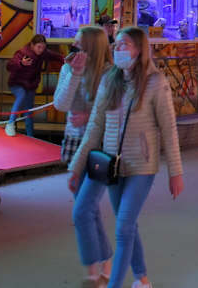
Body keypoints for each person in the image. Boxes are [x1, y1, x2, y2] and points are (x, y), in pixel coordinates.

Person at [68, 27, 183, 288]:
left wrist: (175, 172)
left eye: (125, 45)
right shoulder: (110, 80)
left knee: (123, 228)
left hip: (141, 165)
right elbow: (95, 126)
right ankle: (142, 278)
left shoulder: (156, 83)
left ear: (140, 50)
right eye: (116, 45)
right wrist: (77, 168)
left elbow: (168, 129)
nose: (119, 49)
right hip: (112, 165)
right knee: (127, 226)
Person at [55, 26, 114, 284]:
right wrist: (75, 74)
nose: (74, 48)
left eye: (79, 44)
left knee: (83, 209)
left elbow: (119, 112)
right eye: (74, 43)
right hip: (74, 143)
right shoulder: (69, 68)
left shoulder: (111, 74)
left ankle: (93, 272)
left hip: (100, 148)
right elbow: (61, 104)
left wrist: (90, 116)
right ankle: (105, 265)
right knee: (87, 208)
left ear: (92, 46)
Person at [6, 33, 64, 137]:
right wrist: (21, 63)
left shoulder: (43, 53)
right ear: (32, 45)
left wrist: (67, 60)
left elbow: (56, 56)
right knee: (21, 95)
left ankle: (30, 135)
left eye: (43, 47)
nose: (41, 50)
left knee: (29, 110)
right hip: (17, 83)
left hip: (30, 85)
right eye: (39, 47)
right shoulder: (22, 53)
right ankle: (10, 123)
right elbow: (9, 66)